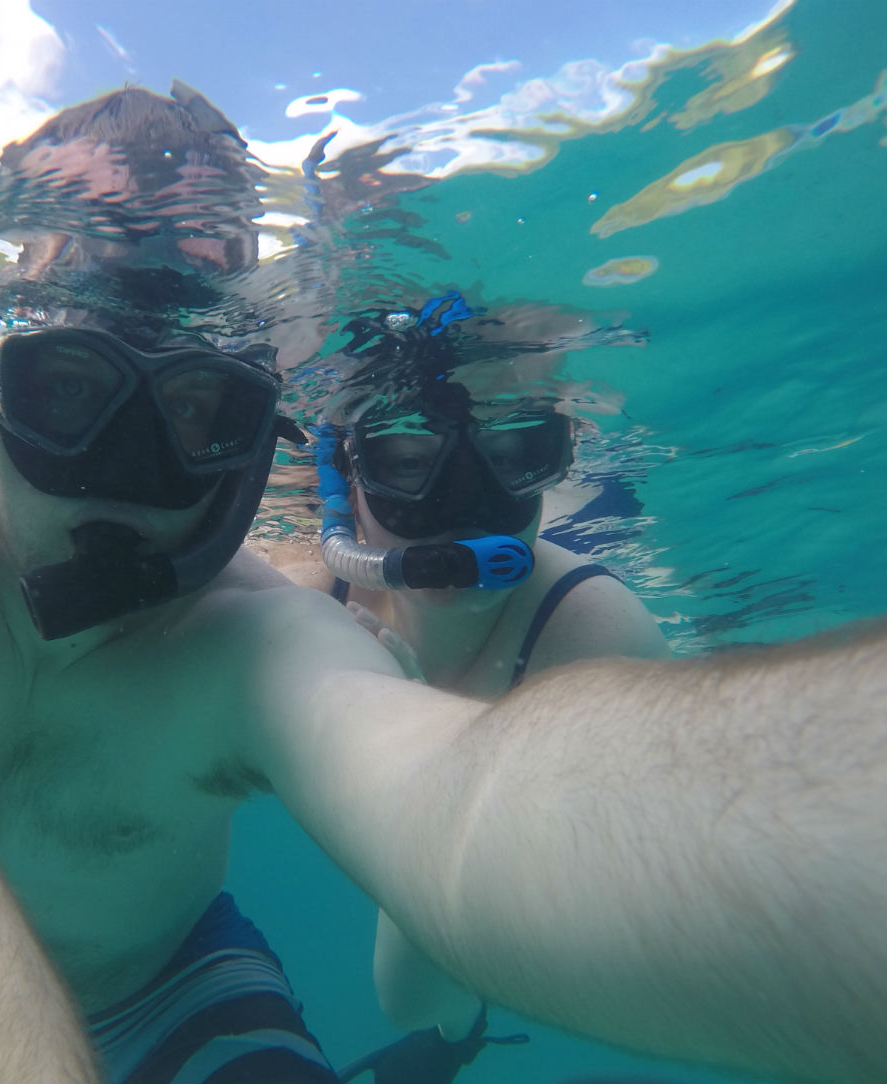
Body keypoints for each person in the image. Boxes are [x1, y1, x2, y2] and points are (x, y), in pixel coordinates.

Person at [0, 84, 887, 1084]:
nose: (126, 489)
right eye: (70, 395)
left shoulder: (247, 638)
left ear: (258, 436)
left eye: (201, 414)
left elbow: (463, 802)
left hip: (180, 979)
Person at [264, 298, 670, 1081]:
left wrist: (428, 755)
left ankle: (465, 1039)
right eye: (407, 460)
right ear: (342, 472)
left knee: (434, 1006)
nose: (461, 509)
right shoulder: (299, 592)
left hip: (496, 893)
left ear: (561, 454)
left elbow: (407, 1000)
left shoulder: (592, 638)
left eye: (517, 452)